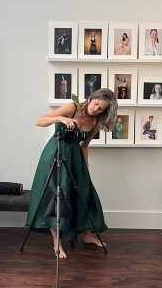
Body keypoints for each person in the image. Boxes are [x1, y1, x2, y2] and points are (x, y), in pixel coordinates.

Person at [25, 88, 118, 259]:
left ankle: (88, 235)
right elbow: (39, 121)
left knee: (85, 193)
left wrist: (85, 168)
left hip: (76, 159)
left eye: (101, 109)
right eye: (96, 104)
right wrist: (60, 117)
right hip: (55, 154)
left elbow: (84, 146)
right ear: (91, 99)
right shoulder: (72, 107)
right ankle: (56, 242)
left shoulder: (96, 122)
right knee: (55, 196)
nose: (96, 109)